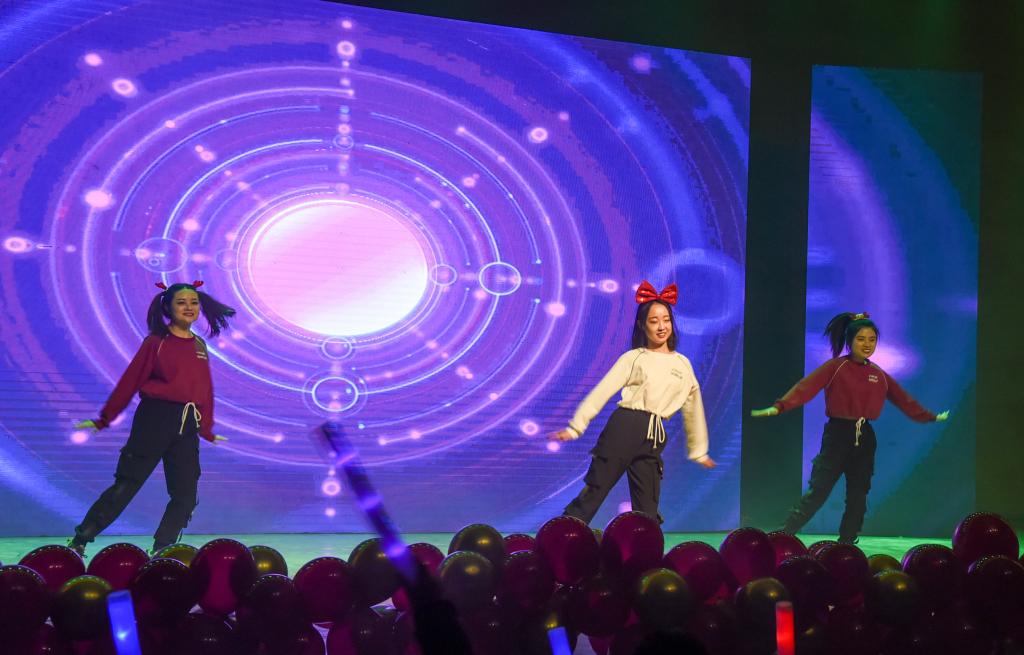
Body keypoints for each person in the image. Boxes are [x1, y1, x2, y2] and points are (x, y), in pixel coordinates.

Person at [68, 281, 236, 556]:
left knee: (186, 495)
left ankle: (162, 549)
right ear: (167, 307)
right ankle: (80, 540)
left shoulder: (199, 345)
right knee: (127, 485)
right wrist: (104, 419)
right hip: (155, 419)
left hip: (187, 424)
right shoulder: (156, 342)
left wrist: (206, 428)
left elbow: (204, 389)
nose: (189, 307)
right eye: (181, 302)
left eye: (193, 302)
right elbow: (130, 381)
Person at [750, 311, 949, 544]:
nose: (867, 344)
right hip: (838, 435)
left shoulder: (878, 374)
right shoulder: (836, 367)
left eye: (872, 340)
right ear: (850, 341)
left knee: (858, 495)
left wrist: (929, 417)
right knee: (819, 490)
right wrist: (779, 407)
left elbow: (903, 399)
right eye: (861, 339)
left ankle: (847, 541)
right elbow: (806, 387)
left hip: (865, 437)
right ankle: (783, 535)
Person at [551, 281, 716, 524]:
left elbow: (693, 407)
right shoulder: (634, 358)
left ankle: (645, 545)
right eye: (654, 321)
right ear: (641, 325)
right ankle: (562, 533)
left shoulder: (682, 363)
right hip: (625, 427)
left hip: (654, 436)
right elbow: (602, 391)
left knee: (648, 505)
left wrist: (699, 451)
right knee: (596, 489)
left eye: (666, 320)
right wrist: (576, 427)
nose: (661, 326)